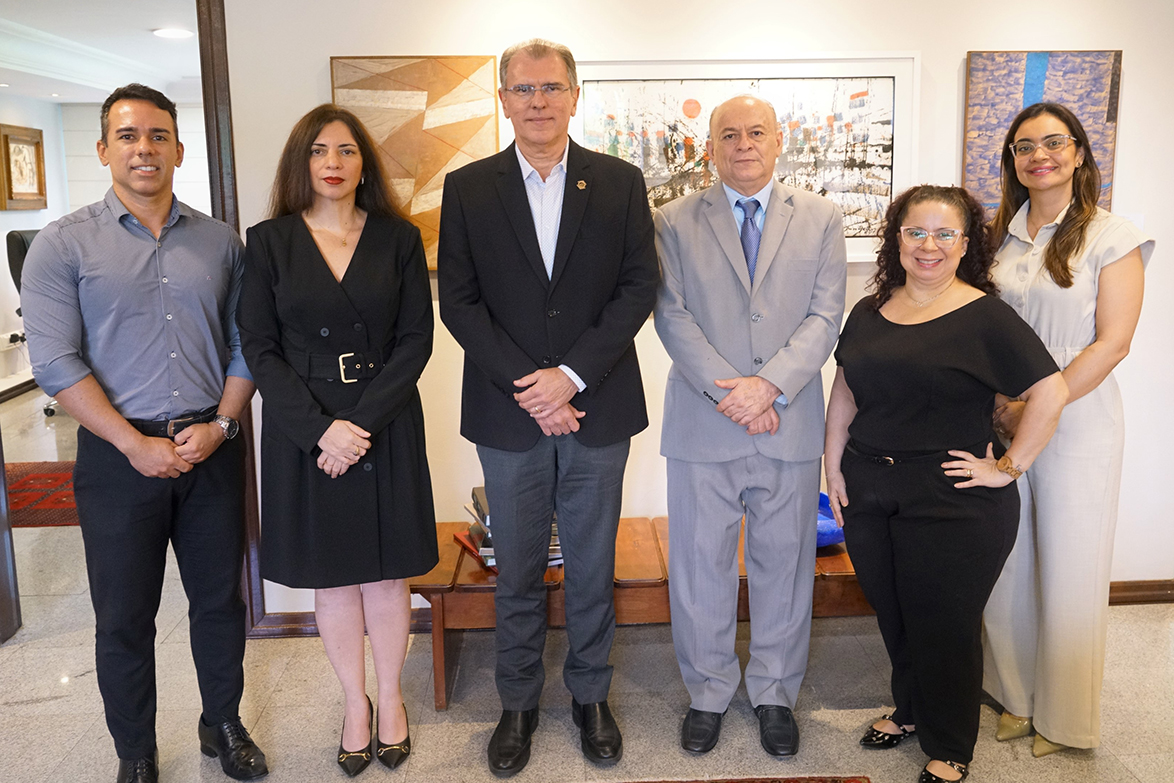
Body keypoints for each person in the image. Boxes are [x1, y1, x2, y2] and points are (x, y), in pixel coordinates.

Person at [21, 84, 267, 783]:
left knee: (220, 601)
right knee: (123, 615)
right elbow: (55, 362)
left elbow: (247, 344)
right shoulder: (62, 245)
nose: (144, 149)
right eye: (128, 136)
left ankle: (221, 722)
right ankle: (135, 750)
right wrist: (133, 443)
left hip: (209, 450)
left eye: (158, 135)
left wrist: (222, 424)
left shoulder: (219, 241)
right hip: (116, 455)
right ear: (104, 149)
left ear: (179, 148)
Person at [437, 38, 658, 777]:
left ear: (574, 95)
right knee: (518, 567)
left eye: (551, 88)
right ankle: (519, 703)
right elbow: (459, 303)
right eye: (524, 89)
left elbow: (637, 287)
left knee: (593, 563)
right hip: (509, 414)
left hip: (597, 406)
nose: (538, 101)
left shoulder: (620, 182)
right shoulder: (468, 187)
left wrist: (569, 375)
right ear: (503, 99)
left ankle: (591, 697)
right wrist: (532, 386)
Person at [824, 185, 1068, 783]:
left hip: (953, 497)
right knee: (895, 612)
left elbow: (1051, 390)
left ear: (966, 244)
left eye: (944, 233)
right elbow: (847, 388)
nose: (928, 245)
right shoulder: (869, 311)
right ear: (896, 239)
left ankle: (952, 743)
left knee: (945, 622)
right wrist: (831, 465)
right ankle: (909, 710)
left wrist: (1008, 467)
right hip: (869, 487)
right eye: (915, 232)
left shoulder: (984, 315)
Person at [236, 105, 437, 778]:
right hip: (305, 426)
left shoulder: (399, 238)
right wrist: (321, 427)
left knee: (386, 575)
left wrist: (361, 425)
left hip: (383, 418)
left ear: (363, 163)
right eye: (319, 150)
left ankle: (392, 704)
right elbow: (260, 349)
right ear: (303, 162)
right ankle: (355, 703)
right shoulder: (267, 243)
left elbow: (416, 341)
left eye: (346, 150)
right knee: (333, 579)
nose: (332, 161)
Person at [652, 94, 846, 757]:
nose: (742, 143)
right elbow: (671, 316)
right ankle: (707, 690)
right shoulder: (672, 221)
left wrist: (770, 387)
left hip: (786, 421)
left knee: (783, 565)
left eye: (755, 131)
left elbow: (825, 315)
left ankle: (773, 692)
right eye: (728, 134)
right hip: (705, 424)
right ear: (710, 146)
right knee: (700, 567)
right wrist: (731, 392)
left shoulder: (820, 217)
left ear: (778, 139)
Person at [981, 103, 1154, 757]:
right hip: (1000, 416)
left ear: (1080, 152)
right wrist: (1003, 403)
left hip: (1077, 421)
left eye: (1054, 143)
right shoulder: (998, 233)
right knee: (1007, 561)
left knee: (1069, 566)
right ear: (1012, 162)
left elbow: (1112, 343)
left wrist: (1040, 404)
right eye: (1024, 147)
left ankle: (1064, 715)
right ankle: (1015, 695)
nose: (1039, 156)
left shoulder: (1113, 235)